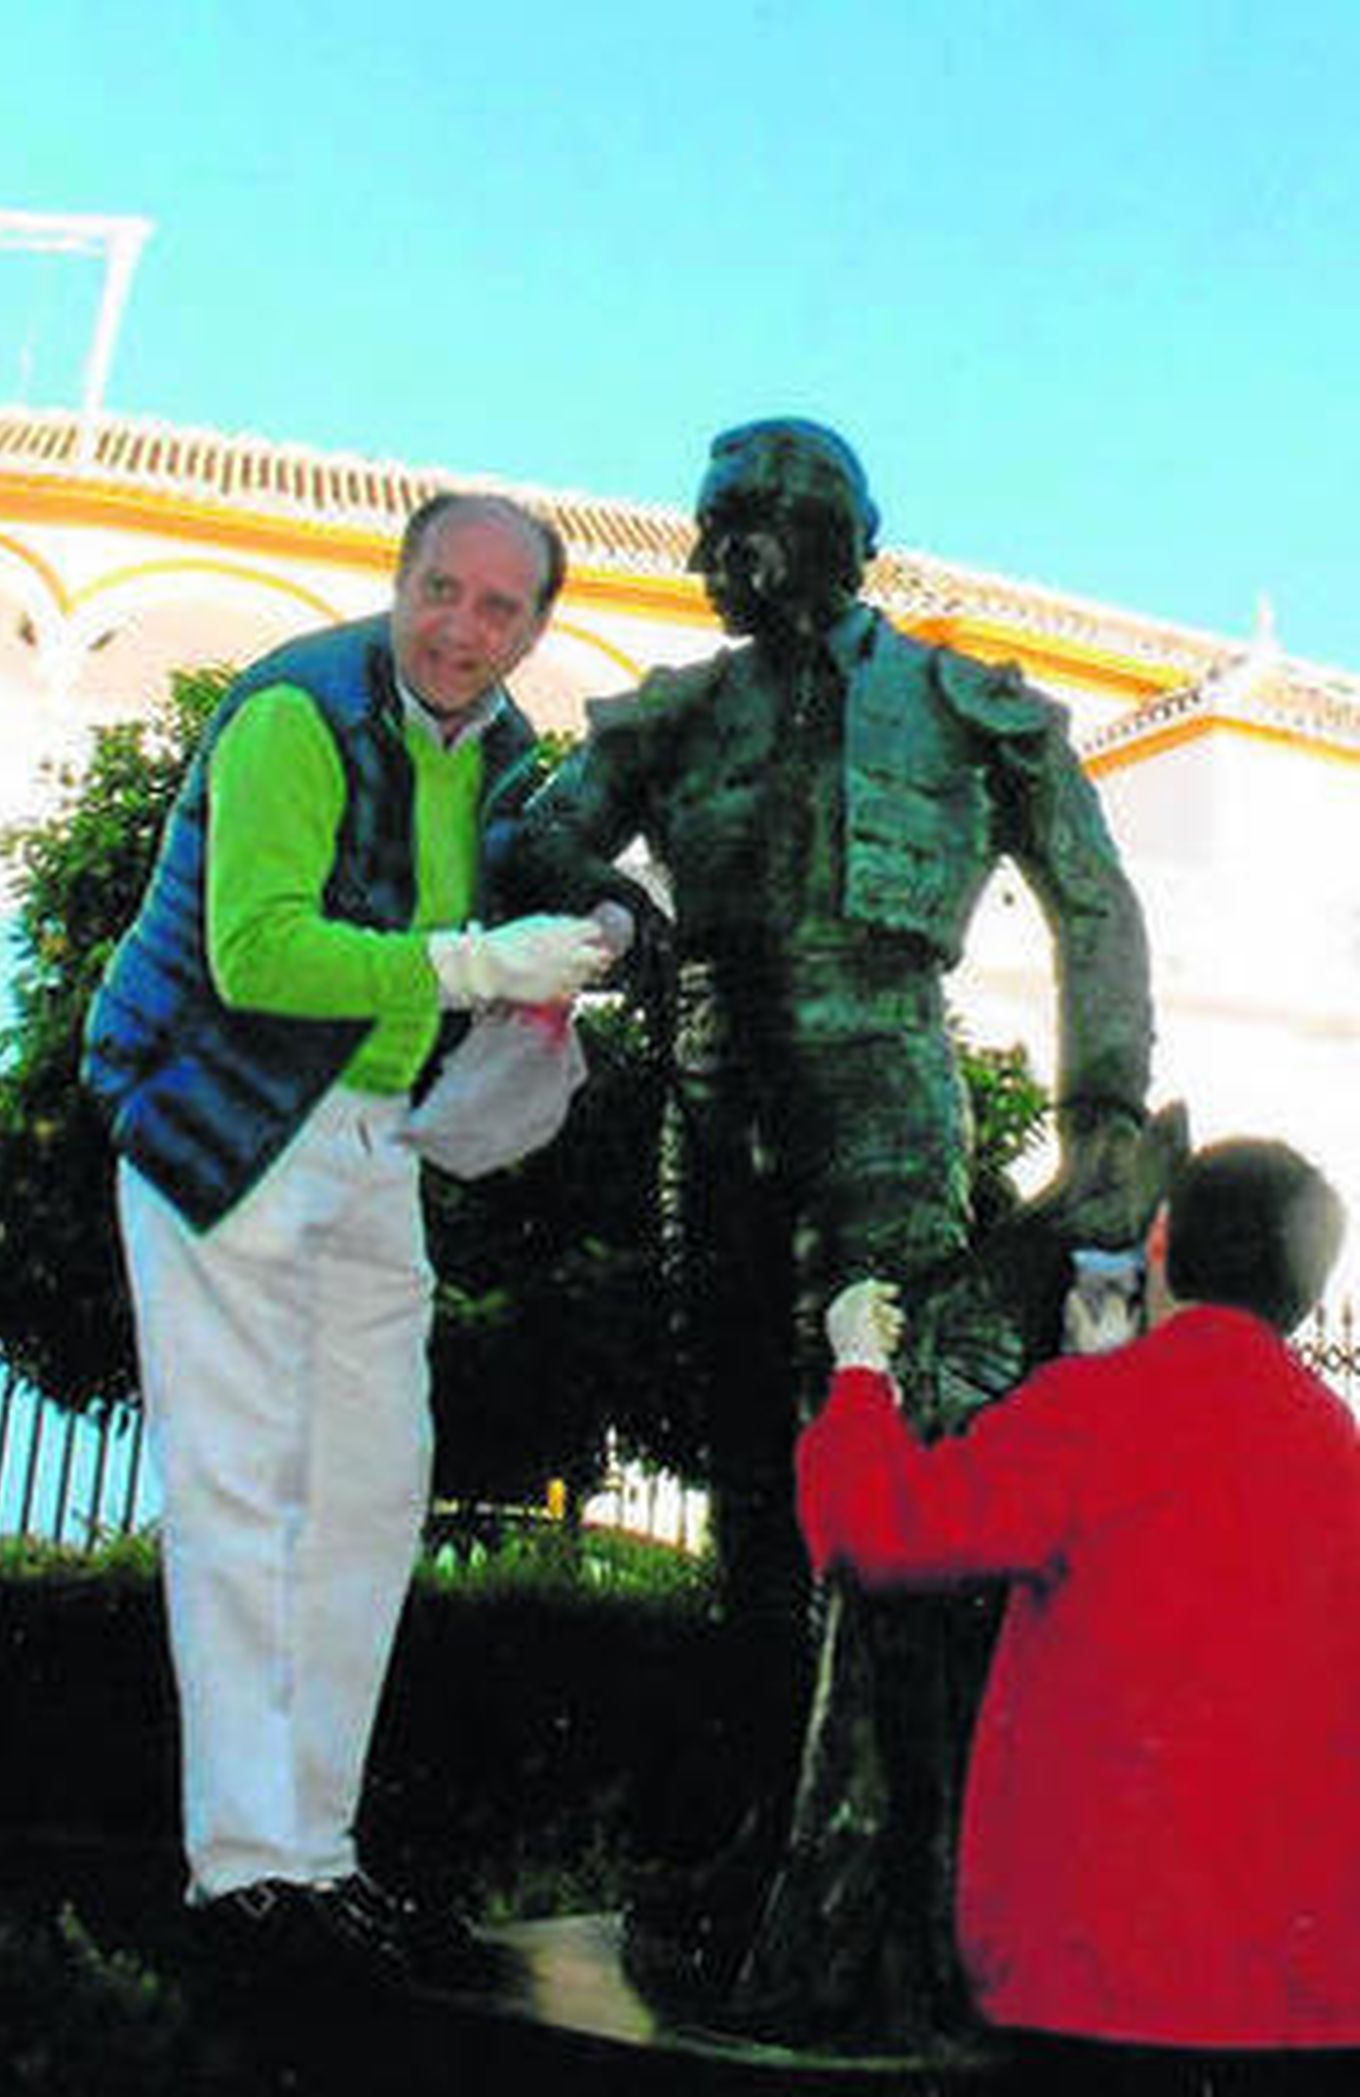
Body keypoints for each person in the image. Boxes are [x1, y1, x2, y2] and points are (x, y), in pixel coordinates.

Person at [501, 416, 1155, 2026]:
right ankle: (768, 1835)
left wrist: (1107, 1120)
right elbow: (540, 826)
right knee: (745, 1477)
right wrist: (619, 900)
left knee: (889, 1454)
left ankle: (888, 1865)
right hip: (715, 1075)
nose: (722, 558)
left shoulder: (962, 701)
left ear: (849, 540)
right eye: (712, 528)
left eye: (757, 528)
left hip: (880, 1066)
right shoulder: (679, 709)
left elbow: (1095, 901)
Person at [82, 491, 613, 1991]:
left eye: (499, 610)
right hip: (223, 1118)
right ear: (400, 579)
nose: (461, 628)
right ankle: (244, 1871)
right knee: (242, 1488)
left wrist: (560, 955)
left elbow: (493, 916)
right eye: (440, 590)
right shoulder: (295, 714)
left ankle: (317, 1854)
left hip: (371, 1135)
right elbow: (256, 955)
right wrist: (466, 963)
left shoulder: (501, 754)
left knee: (374, 1492)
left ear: (535, 631)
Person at [798, 1138, 1359, 2091]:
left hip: (1102, 1988)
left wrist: (857, 1370)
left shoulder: (1092, 1414)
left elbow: (878, 1531)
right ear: (1307, 1288)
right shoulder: (1338, 1450)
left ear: (1160, 1238)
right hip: (1308, 2001)